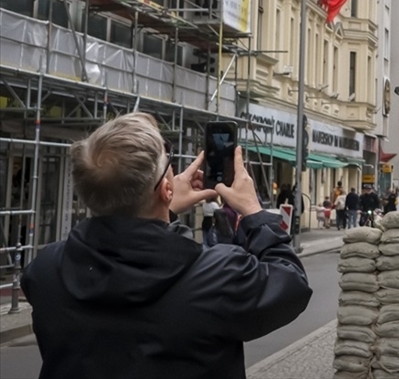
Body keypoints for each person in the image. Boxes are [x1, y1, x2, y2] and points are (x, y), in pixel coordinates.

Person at [22, 112, 312, 379]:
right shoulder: (219, 275)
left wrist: (163, 207)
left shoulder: (46, 271)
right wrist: (253, 210)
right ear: (166, 188)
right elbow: (291, 284)